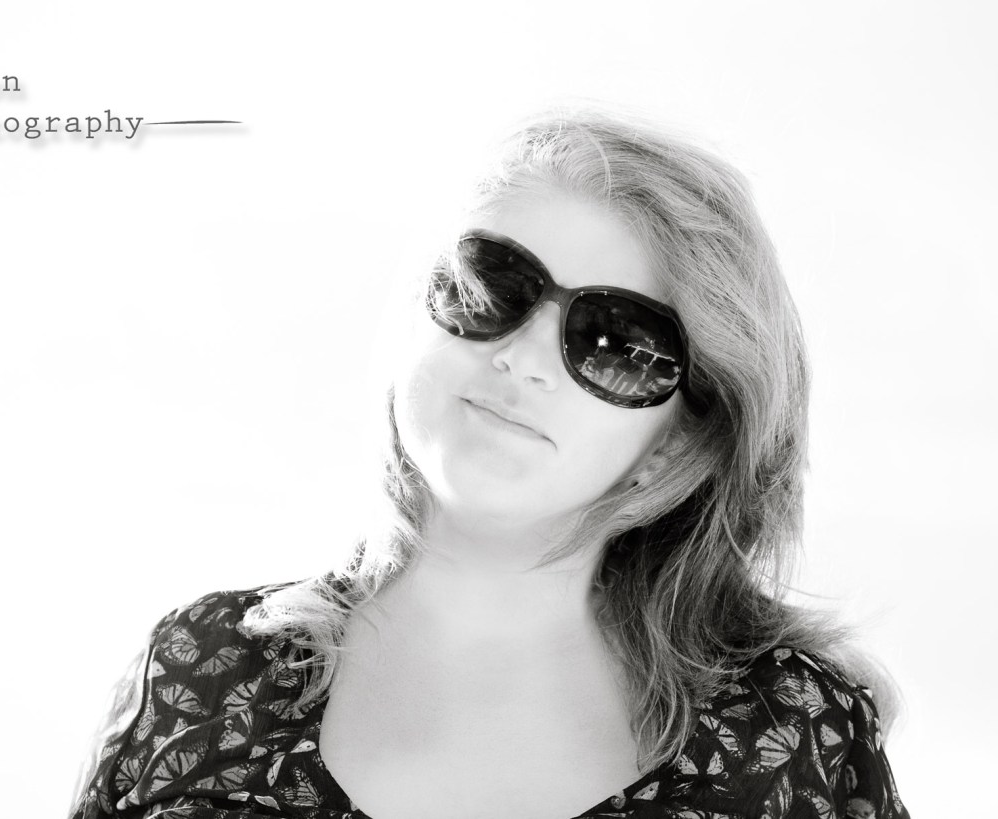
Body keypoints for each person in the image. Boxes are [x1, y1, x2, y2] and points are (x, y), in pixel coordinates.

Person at [66, 106, 910, 819]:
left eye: (618, 342)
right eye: (492, 284)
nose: (524, 356)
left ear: (678, 444)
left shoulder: (794, 732)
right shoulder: (200, 667)